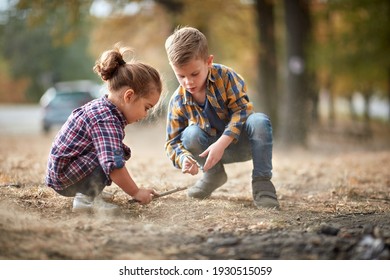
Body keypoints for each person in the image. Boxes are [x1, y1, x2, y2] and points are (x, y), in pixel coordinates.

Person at [164, 26, 280, 209]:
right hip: (209, 156)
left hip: (242, 144)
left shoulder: (225, 77)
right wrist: (184, 158)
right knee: (190, 134)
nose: (188, 82)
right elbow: (173, 142)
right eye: (181, 76)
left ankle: (262, 184)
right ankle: (213, 175)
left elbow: (242, 111)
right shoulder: (178, 100)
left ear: (208, 62)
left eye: (194, 73)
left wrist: (221, 144)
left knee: (259, 121)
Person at [45, 45, 163, 213]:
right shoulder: (105, 119)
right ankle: (85, 200)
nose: (145, 114)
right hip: (65, 178)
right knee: (112, 155)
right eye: (147, 107)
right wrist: (136, 192)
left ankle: (91, 192)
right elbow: (114, 165)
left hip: (67, 172)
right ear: (129, 96)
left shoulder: (105, 109)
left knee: (112, 151)